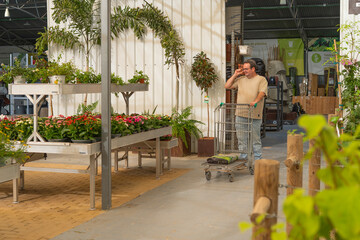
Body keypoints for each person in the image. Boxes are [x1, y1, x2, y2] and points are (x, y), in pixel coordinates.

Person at [224, 59, 268, 161]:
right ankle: (244, 160)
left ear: (253, 69)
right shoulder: (241, 79)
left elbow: (262, 93)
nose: (245, 71)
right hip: (240, 114)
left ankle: (258, 160)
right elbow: (227, 86)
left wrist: (255, 101)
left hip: (254, 114)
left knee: (255, 139)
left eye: (247, 69)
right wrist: (235, 75)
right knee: (241, 139)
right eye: (244, 69)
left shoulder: (261, 80)